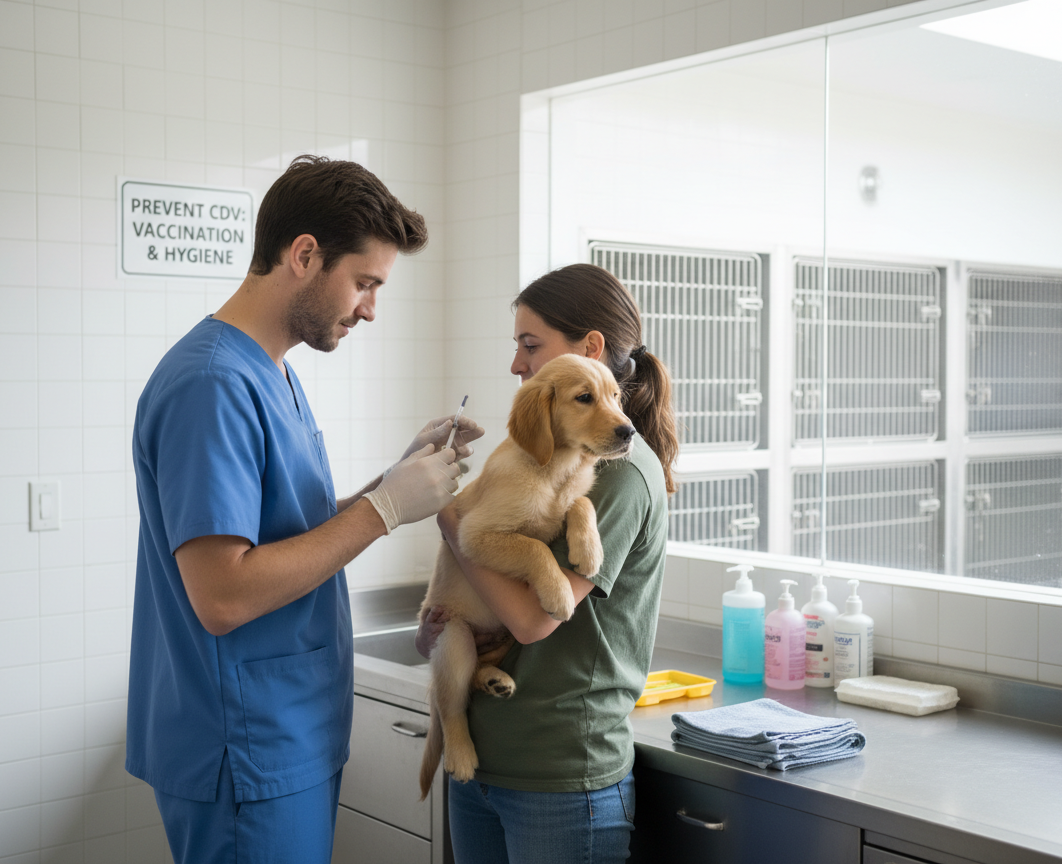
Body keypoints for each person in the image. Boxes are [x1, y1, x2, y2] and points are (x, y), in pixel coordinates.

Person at [126, 155, 483, 864]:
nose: (370, 309)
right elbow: (223, 595)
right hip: (244, 745)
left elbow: (288, 531)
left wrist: (395, 480)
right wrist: (383, 509)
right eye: (364, 283)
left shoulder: (271, 369)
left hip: (285, 733)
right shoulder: (212, 383)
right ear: (304, 255)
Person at [417, 263, 679, 863]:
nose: (517, 363)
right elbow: (482, 579)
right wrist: (440, 627)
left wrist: (448, 516)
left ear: (591, 348)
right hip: (490, 758)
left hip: (560, 774)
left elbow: (535, 620)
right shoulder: (545, 456)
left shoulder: (615, 468)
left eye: (529, 345)